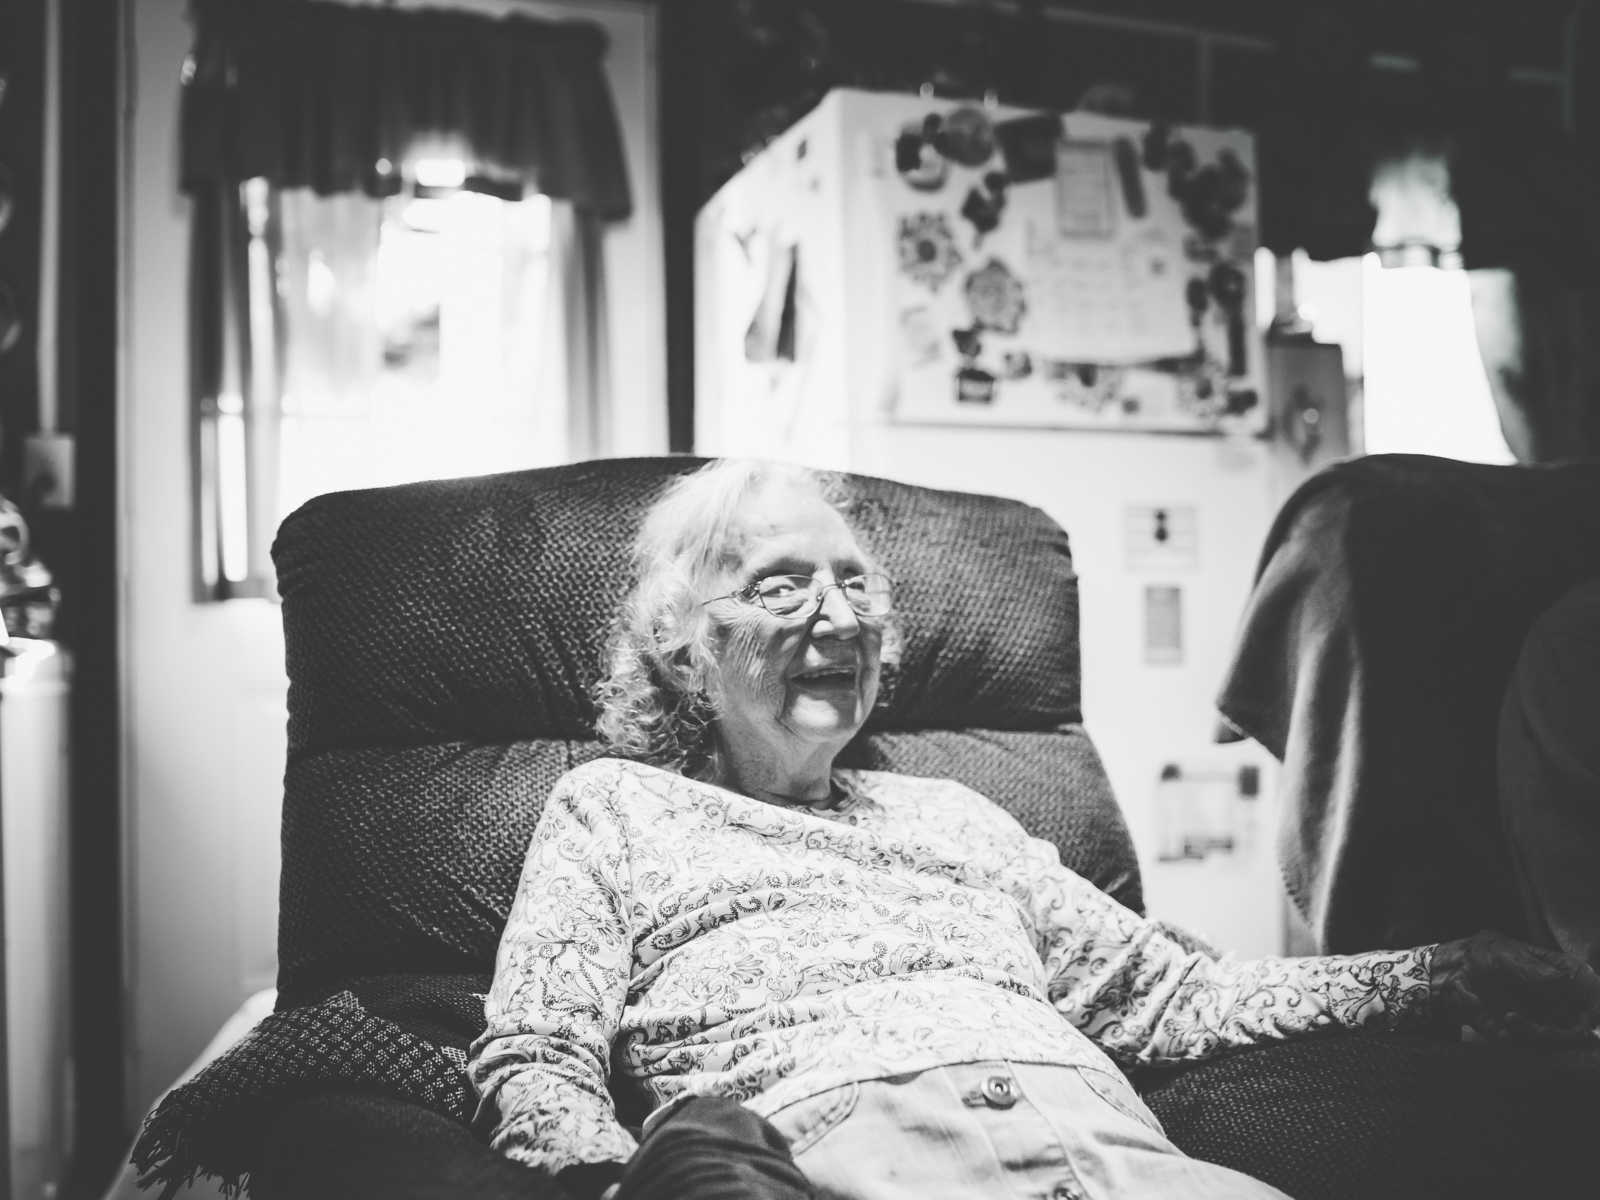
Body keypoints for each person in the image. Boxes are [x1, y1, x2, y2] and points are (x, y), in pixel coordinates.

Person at [468, 458, 1600, 1200]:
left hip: (1105, 1145)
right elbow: (538, 1054)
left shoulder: (955, 815)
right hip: (830, 1149)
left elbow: (1171, 996)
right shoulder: (617, 807)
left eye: (857, 586)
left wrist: (1436, 974)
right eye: (780, 587)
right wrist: (603, 1183)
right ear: (682, 644)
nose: (839, 617)